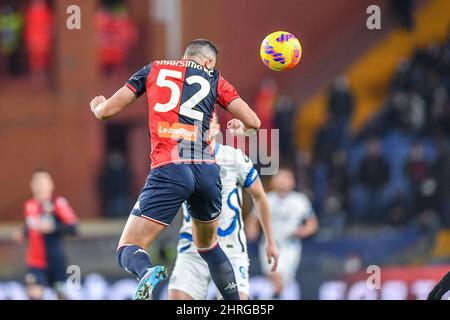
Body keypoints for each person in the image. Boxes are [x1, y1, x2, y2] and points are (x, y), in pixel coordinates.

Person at [89, 39, 261, 300]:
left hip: (170, 166)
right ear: (209, 62)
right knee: (209, 246)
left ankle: (146, 272)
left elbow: (107, 112)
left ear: (184, 57)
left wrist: (97, 108)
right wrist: (242, 128)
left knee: (128, 247)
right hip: (206, 169)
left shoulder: (153, 69)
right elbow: (254, 122)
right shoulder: (215, 78)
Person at [168, 113, 278, 300]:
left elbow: (260, 196)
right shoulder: (178, 159)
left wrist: (270, 240)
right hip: (192, 248)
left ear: (217, 129)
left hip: (230, 247)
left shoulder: (233, 157)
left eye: (207, 123)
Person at [246, 168, 319, 299]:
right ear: (273, 182)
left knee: (284, 283)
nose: (283, 182)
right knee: (276, 278)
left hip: (291, 246)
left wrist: (303, 231)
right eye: (279, 178)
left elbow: (312, 224)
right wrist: (252, 231)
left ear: (293, 182)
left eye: (286, 178)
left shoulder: (300, 200)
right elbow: (253, 220)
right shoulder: (266, 199)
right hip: (270, 245)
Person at [18, 169, 79, 300]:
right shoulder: (29, 205)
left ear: (50, 184)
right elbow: (31, 227)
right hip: (35, 262)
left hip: (56, 261)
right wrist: (23, 233)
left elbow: (73, 228)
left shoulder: (58, 204)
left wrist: (53, 227)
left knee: (61, 295)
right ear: (32, 185)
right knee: (34, 293)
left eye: (43, 182)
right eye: (37, 182)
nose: (39, 185)